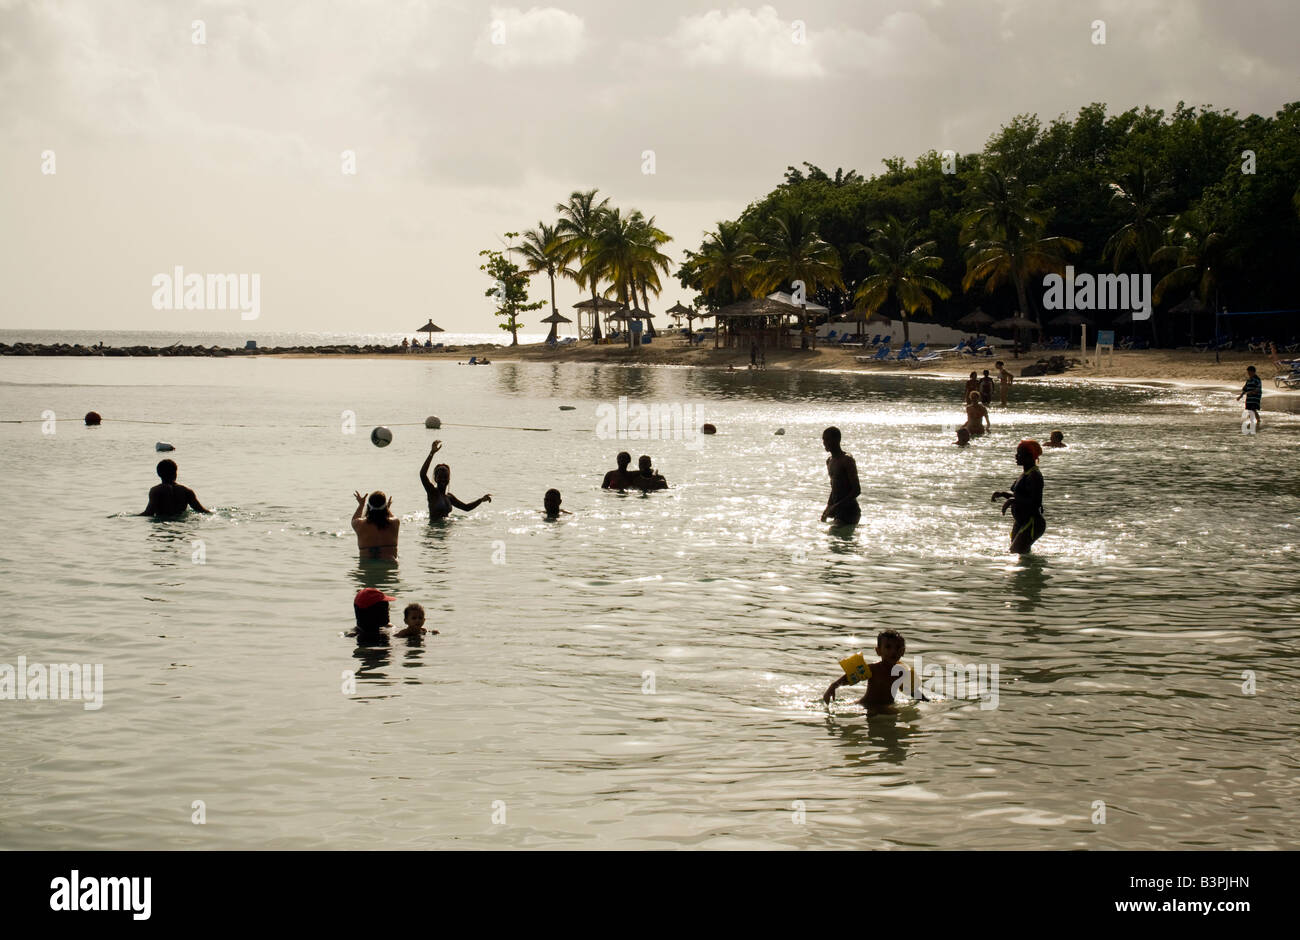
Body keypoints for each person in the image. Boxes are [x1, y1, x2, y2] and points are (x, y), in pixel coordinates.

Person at [822, 629, 927, 716]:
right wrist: (833, 686)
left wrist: (926, 700)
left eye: (897, 648)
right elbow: (850, 677)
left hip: (883, 707)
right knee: (894, 714)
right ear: (878, 651)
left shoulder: (901, 673)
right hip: (867, 704)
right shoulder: (873, 669)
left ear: (903, 651)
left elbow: (912, 691)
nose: (893, 651)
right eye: (888, 647)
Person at [992, 439, 1046, 554]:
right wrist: (1003, 494)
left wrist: (1012, 500)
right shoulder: (1025, 474)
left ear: (1029, 456)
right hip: (1021, 521)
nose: (1016, 456)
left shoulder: (1035, 475)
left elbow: (1035, 502)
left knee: (1016, 552)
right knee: (1018, 555)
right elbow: (1020, 496)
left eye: (1019, 453)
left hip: (1032, 523)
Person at [419, 440, 491, 520]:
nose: (443, 479)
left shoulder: (449, 497)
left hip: (446, 530)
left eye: (445, 476)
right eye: (440, 477)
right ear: (436, 479)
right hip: (434, 531)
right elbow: (422, 474)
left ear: (449, 479)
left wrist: (481, 500)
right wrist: (432, 453)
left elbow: (466, 508)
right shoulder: (432, 492)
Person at [140, 459, 210, 516]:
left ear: (159, 474)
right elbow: (201, 511)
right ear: (175, 473)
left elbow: (149, 513)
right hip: (181, 524)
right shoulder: (186, 491)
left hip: (163, 526)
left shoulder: (156, 491)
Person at [820, 426, 861, 525]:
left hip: (850, 511)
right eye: (823, 439)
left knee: (834, 535)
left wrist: (835, 506)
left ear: (836, 440)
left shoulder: (847, 460)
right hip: (837, 511)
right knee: (829, 537)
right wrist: (828, 507)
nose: (824, 442)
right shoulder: (829, 461)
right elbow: (834, 488)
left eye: (827, 439)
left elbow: (856, 490)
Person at [352, 490, 399, 559]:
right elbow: (390, 516)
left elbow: (354, 519)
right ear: (385, 506)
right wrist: (387, 508)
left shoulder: (359, 524)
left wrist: (361, 505)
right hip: (390, 562)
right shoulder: (395, 522)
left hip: (367, 565)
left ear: (369, 506)